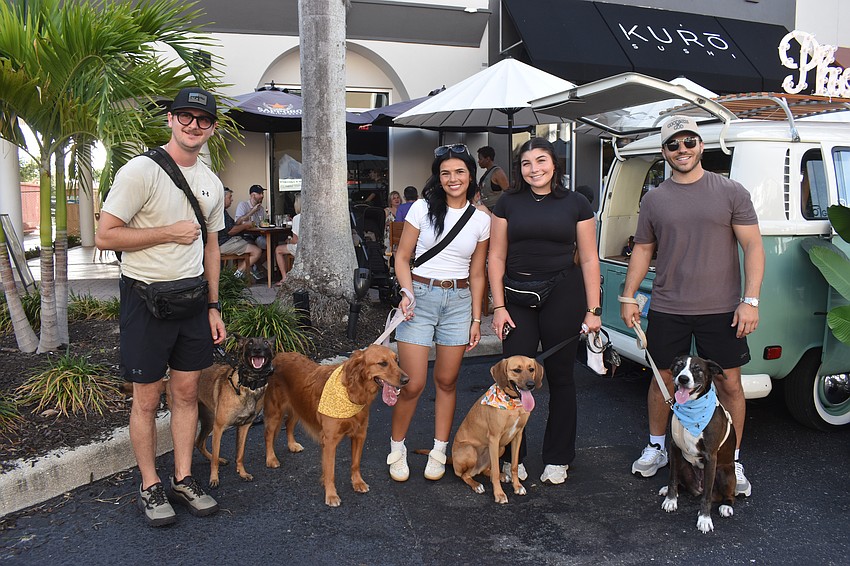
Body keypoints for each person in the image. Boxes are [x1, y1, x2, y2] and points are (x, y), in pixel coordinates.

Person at [95, 86, 226, 526]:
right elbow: (105, 235)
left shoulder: (211, 182)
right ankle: (150, 484)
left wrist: (213, 305)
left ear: (211, 128)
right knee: (147, 399)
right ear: (170, 119)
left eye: (202, 119)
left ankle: (184, 477)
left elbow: (211, 247)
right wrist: (167, 232)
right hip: (145, 300)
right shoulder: (140, 171)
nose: (193, 125)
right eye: (185, 116)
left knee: (187, 393)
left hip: (191, 302)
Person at [619, 115, 764, 497]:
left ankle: (732, 459)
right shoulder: (655, 199)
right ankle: (656, 449)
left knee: (729, 383)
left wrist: (750, 301)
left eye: (689, 142)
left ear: (701, 145)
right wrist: (628, 295)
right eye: (673, 145)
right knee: (663, 380)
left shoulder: (731, 191)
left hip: (722, 308)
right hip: (669, 305)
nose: (681, 150)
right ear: (664, 152)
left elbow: (753, 246)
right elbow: (644, 249)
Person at [489, 137, 601, 485]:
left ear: (555, 164)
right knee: (513, 381)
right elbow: (496, 256)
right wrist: (498, 307)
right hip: (517, 299)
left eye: (541, 161)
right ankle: (513, 458)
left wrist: (593, 309)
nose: (534, 168)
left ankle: (558, 457)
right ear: (519, 169)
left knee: (562, 378)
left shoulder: (577, 203)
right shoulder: (507, 201)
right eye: (526, 163)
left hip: (563, 296)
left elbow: (588, 258)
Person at [388, 144, 490, 482]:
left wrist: (477, 318)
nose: (453, 178)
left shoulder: (481, 220)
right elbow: (402, 258)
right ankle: (397, 448)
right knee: (413, 383)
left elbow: (478, 273)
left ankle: (439, 450)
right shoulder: (420, 209)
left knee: (447, 380)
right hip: (420, 297)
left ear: (470, 175)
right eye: (445, 172)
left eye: (459, 171)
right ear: (438, 177)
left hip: (459, 302)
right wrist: (406, 292)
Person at [219, 187, 263, 280]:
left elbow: (235, 224)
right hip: (225, 243)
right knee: (257, 251)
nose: (232, 200)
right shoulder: (220, 212)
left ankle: (249, 271)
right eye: (230, 197)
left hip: (229, 241)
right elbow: (231, 231)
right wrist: (245, 225)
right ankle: (236, 277)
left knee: (263, 246)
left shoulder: (222, 211)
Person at [236, 185, 268, 279]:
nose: (262, 196)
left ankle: (254, 267)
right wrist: (252, 211)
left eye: (262, 193)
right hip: (245, 236)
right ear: (253, 195)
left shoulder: (261, 209)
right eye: (260, 193)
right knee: (254, 248)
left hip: (258, 236)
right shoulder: (243, 205)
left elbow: (262, 224)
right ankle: (239, 274)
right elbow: (237, 222)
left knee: (271, 247)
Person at [274, 195, 301, 285]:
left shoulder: (297, 218)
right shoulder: (313, 217)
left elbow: (295, 240)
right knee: (285, 249)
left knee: (278, 249)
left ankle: (284, 278)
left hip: (300, 248)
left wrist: (288, 241)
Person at [477, 145, 510, 211]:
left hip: (495, 208)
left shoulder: (497, 172)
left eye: (480, 159)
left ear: (487, 159)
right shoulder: (487, 173)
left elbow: (508, 191)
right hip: (486, 207)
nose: (478, 161)